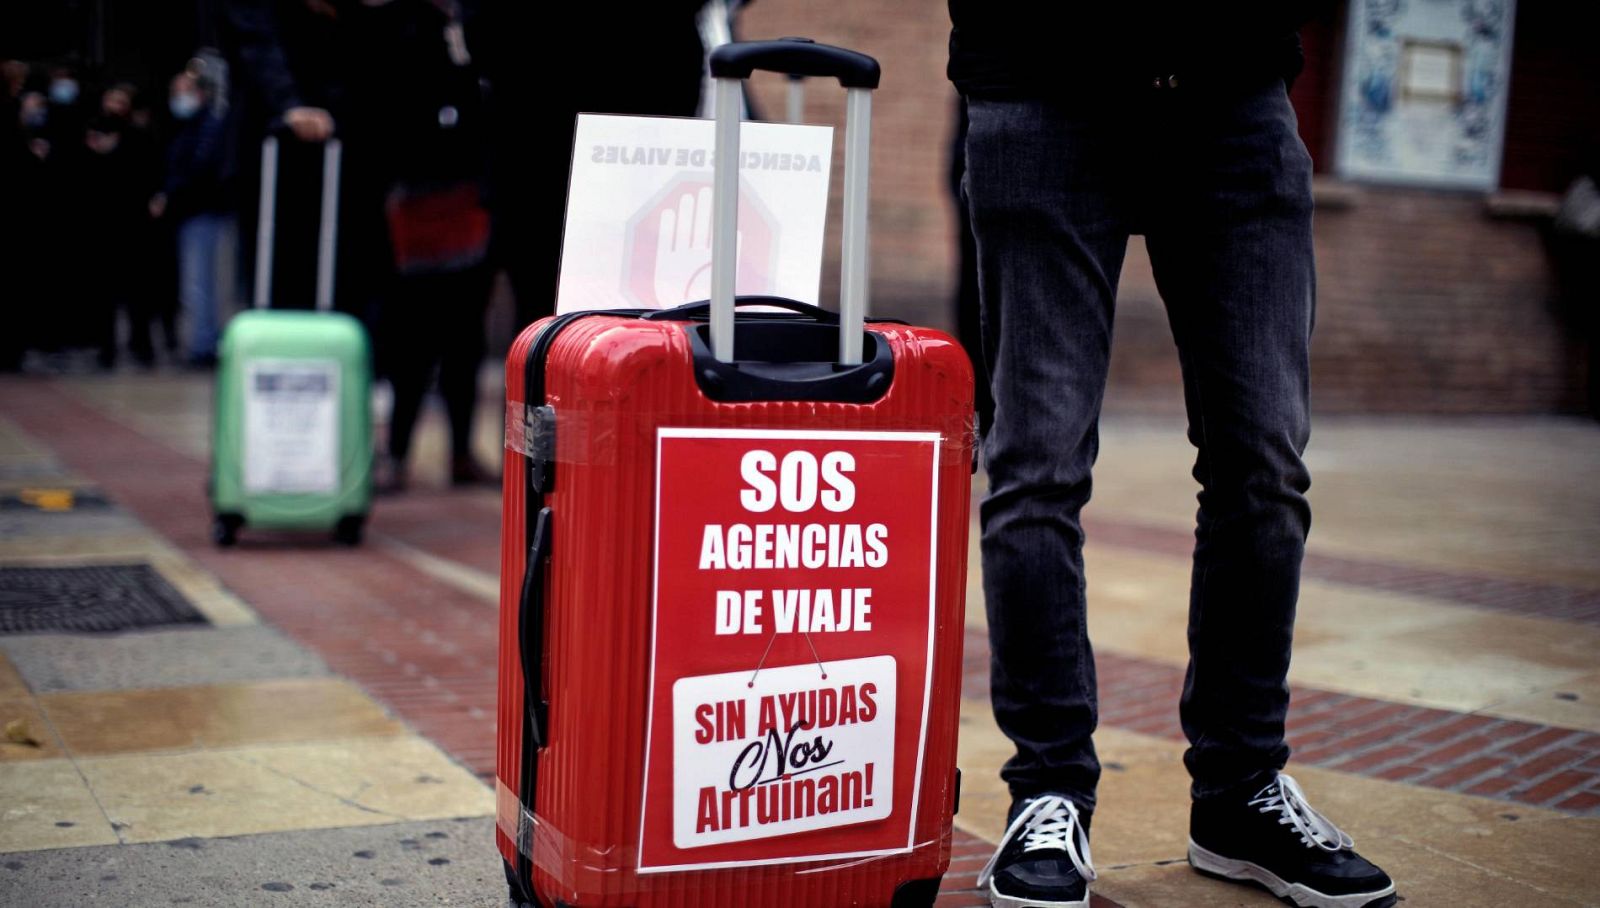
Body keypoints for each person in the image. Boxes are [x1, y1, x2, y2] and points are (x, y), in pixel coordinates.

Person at [949, 5, 1398, 908]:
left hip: (1235, 97)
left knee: (1264, 463)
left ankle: (1239, 795)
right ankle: (1048, 790)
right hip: (1042, 83)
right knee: (1036, 463)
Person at [343, 0, 494, 491]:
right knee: (413, 343)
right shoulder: (404, 29)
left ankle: (455, 453)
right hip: (415, 207)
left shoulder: (467, 31)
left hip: (466, 206)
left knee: (460, 342)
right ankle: (401, 452)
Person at [156, 68, 235, 367]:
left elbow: (199, 169)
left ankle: (205, 345)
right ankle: (203, 341)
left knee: (203, 282)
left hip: (205, 211)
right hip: (193, 212)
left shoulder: (209, 127)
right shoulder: (186, 126)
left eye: (185, 90)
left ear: (201, 93)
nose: (179, 97)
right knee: (198, 283)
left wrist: (170, 194)